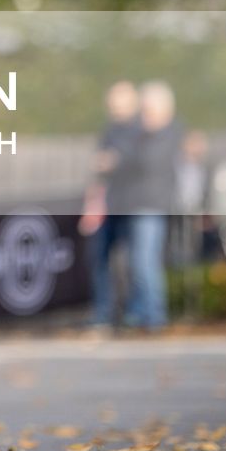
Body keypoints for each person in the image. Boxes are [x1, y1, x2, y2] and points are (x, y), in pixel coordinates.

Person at [112, 81, 182, 332]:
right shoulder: (142, 135)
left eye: (147, 109)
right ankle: (141, 313)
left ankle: (154, 316)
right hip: (134, 204)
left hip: (152, 206)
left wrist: (123, 157)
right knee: (135, 263)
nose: (143, 115)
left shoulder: (168, 133)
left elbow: (145, 162)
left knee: (145, 263)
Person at [80, 80, 139, 332]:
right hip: (109, 204)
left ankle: (134, 313)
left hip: (134, 204)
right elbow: (99, 170)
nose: (113, 108)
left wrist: (116, 161)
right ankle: (103, 313)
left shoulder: (140, 130)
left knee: (135, 261)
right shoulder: (110, 130)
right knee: (99, 259)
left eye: (118, 102)